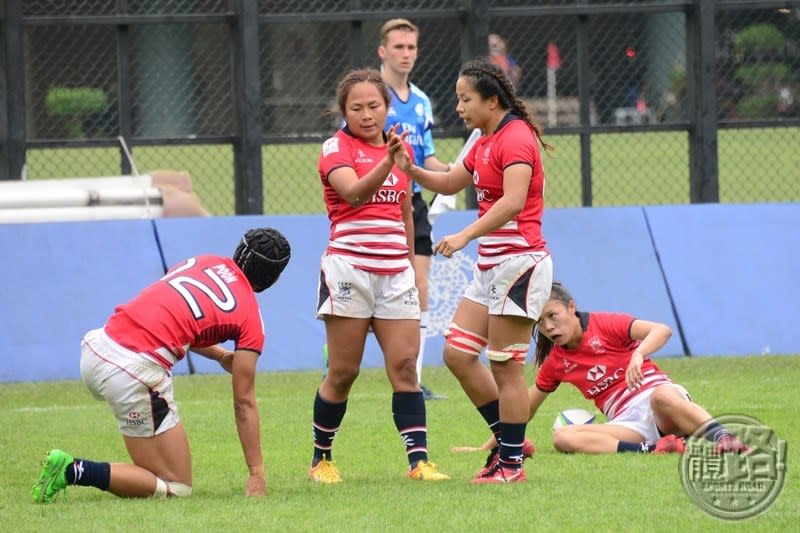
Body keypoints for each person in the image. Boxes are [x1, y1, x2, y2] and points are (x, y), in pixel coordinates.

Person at [31, 227, 291, 503]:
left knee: (153, 472)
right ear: (272, 278)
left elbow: (171, 314)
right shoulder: (250, 315)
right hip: (131, 372)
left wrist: (218, 356)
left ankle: (85, 470)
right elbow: (244, 403)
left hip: (98, 347)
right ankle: (72, 470)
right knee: (175, 485)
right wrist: (257, 473)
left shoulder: (203, 261)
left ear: (238, 250)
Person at [389, 57, 553, 483]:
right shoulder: (483, 139)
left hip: (518, 264)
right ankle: (509, 440)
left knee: (505, 366)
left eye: (466, 99)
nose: (459, 108)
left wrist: (464, 235)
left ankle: (511, 466)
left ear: (492, 100)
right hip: (491, 267)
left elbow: (513, 201)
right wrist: (411, 170)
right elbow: (449, 182)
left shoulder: (515, 138)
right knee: (458, 354)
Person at [308, 68, 449, 484]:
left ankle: (418, 462)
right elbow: (353, 193)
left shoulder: (400, 150)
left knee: (405, 366)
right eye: (357, 108)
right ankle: (321, 459)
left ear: (387, 107)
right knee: (343, 372)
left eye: (374, 106)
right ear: (343, 111)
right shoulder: (336, 147)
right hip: (349, 270)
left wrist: (407, 262)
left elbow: (405, 209)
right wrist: (389, 160)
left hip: (394, 276)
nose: (367, 115)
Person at [455, 281, 751, 456]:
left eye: (553, 316)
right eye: (540, 322)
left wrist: (639, 355)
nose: (548, 327)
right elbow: (523, 410)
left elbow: (661, 330)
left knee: (661, 396)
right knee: (563, 438)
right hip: (628, 423)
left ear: (571, 308)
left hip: (659, 401)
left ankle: (724, 437)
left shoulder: (606, 324)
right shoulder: (556, 361)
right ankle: (657, 449)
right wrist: (487, 447)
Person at [378, 19, 451, 401]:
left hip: (414, 201)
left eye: (411, 47)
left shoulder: (421, 102)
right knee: (374, 289)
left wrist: (457, 171)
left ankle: (414, 378)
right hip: (379, 201)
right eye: (399, 47)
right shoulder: (371, 96)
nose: (405, 54)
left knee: (418, 289)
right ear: (383, 51)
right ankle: (336, 356)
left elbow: (430, 156)